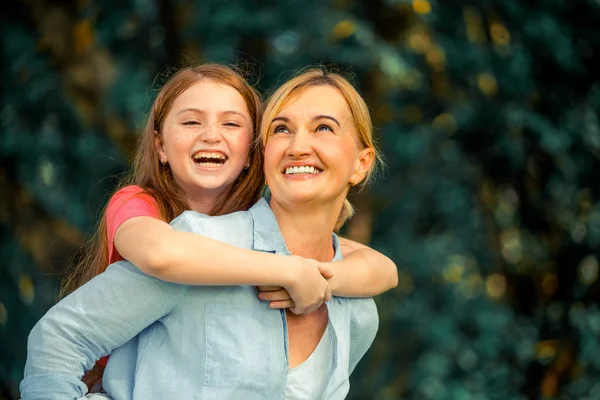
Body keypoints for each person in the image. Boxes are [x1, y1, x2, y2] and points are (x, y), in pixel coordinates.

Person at [21, 68, 386, 399]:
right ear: (264, 152)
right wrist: (289, 271)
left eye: (323, 127)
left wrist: (319, 275)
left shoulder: (358, 314)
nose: (298, 146)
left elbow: (381, 267)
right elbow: (60, 338)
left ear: (362, 162)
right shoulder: (190, 243)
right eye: (281, 128)